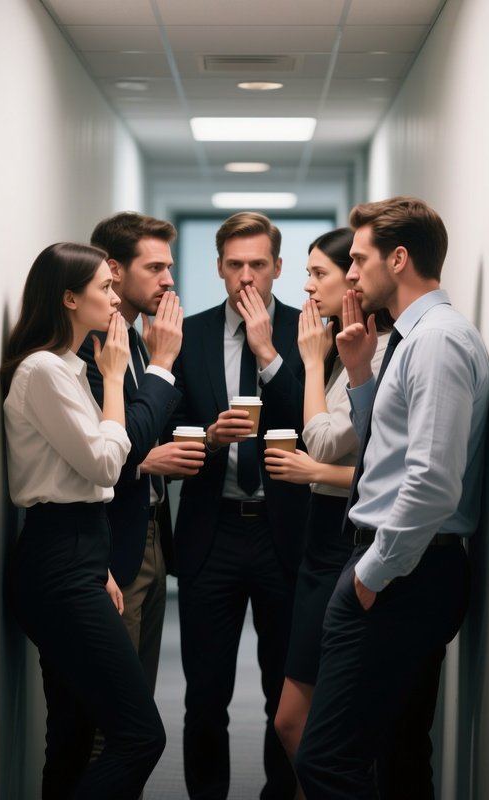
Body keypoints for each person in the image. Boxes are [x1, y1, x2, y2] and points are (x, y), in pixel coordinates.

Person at [294, 197, 489, 799]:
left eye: (358, 260)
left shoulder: (436, 341)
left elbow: (431, 480)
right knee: (399, 757)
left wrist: (372, 574)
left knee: (325, 762)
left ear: (399, 259)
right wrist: (359, 374)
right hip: (407, 565)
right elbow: (392, 446)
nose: (350, 275)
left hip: (403, 570)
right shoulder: (414, 339)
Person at [2, 243, 165, 799]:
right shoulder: (43, 370)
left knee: (71, 734)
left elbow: (92, 481)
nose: (116, 299)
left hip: (77, 550)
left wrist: (99, 564)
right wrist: (116, 379)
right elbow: (105, 464)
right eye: (104, 288)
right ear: (69, 299)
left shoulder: (67, 368)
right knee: (142, 736)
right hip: (57, 558)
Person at [169, 211, 310, 799]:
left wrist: (267, 352)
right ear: (219, 267)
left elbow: (317, 419)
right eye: (235, 264)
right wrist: (206, 435)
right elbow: (161, 427)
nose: (246, 276)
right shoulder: (190, 336)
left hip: (285, 533)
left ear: (279, 267)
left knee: (285, 693)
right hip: (213, 529)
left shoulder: (312, 330)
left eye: (259, 264)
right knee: (204, 695)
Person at [263, 228, 394, 790]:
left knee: (305, 723)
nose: (308, 288)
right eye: (308, 274)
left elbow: (325, 445)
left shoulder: (374, 352)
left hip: (349, 542)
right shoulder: (352, 347)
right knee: (295, 719)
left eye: (321, 274)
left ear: (354, 281)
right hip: (321, 541)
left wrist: (312, 361)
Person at [77, 212, 205, 697]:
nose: (169, 279)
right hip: (112, 543)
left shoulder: (136, 336)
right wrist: (166, 361)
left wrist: (204, 438)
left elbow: (148, 429)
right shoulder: (91, 345)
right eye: (154, 268)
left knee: (140, 702)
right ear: (113, 269)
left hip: (152, 530)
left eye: (168, 266)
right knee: (114, 714)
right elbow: (114, 442)